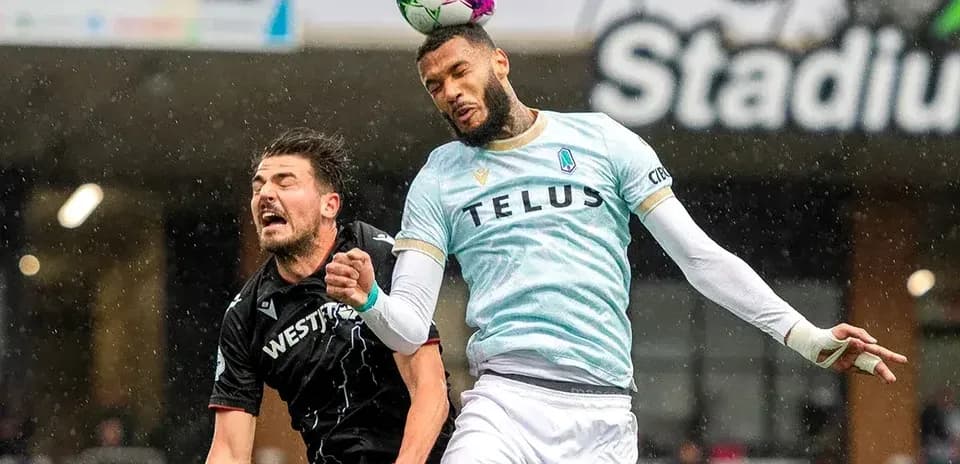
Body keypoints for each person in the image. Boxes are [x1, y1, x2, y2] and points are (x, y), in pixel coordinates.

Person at [323, 24, 908, 463]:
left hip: (602, 415)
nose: (449, 92)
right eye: (434, 86)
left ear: (499, 62)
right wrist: (372, 298)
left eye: (459, 71)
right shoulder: (439, 176)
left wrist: (807, 339)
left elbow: (700, 260)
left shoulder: (603, 140)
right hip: (503, 405)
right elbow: (406, 328)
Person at [206, 128, 455, 464]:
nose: (265, 194)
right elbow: (228, 450)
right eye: (258, 186)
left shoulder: (370, 251)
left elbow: (430, 389)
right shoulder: (245, 314)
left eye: (285, 182)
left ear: (329, 204)